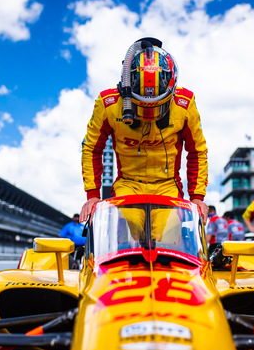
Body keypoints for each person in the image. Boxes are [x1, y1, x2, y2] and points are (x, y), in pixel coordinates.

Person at [80, 38, 209, 227]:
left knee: (170, 234)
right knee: (126, 232)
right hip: (127, 185)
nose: (150, 113)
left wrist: (197, 197)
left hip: (168, 186)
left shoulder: (185, 102)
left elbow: (197, 150)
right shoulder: (108, 103)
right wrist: (92, 196)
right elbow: (91, 148)